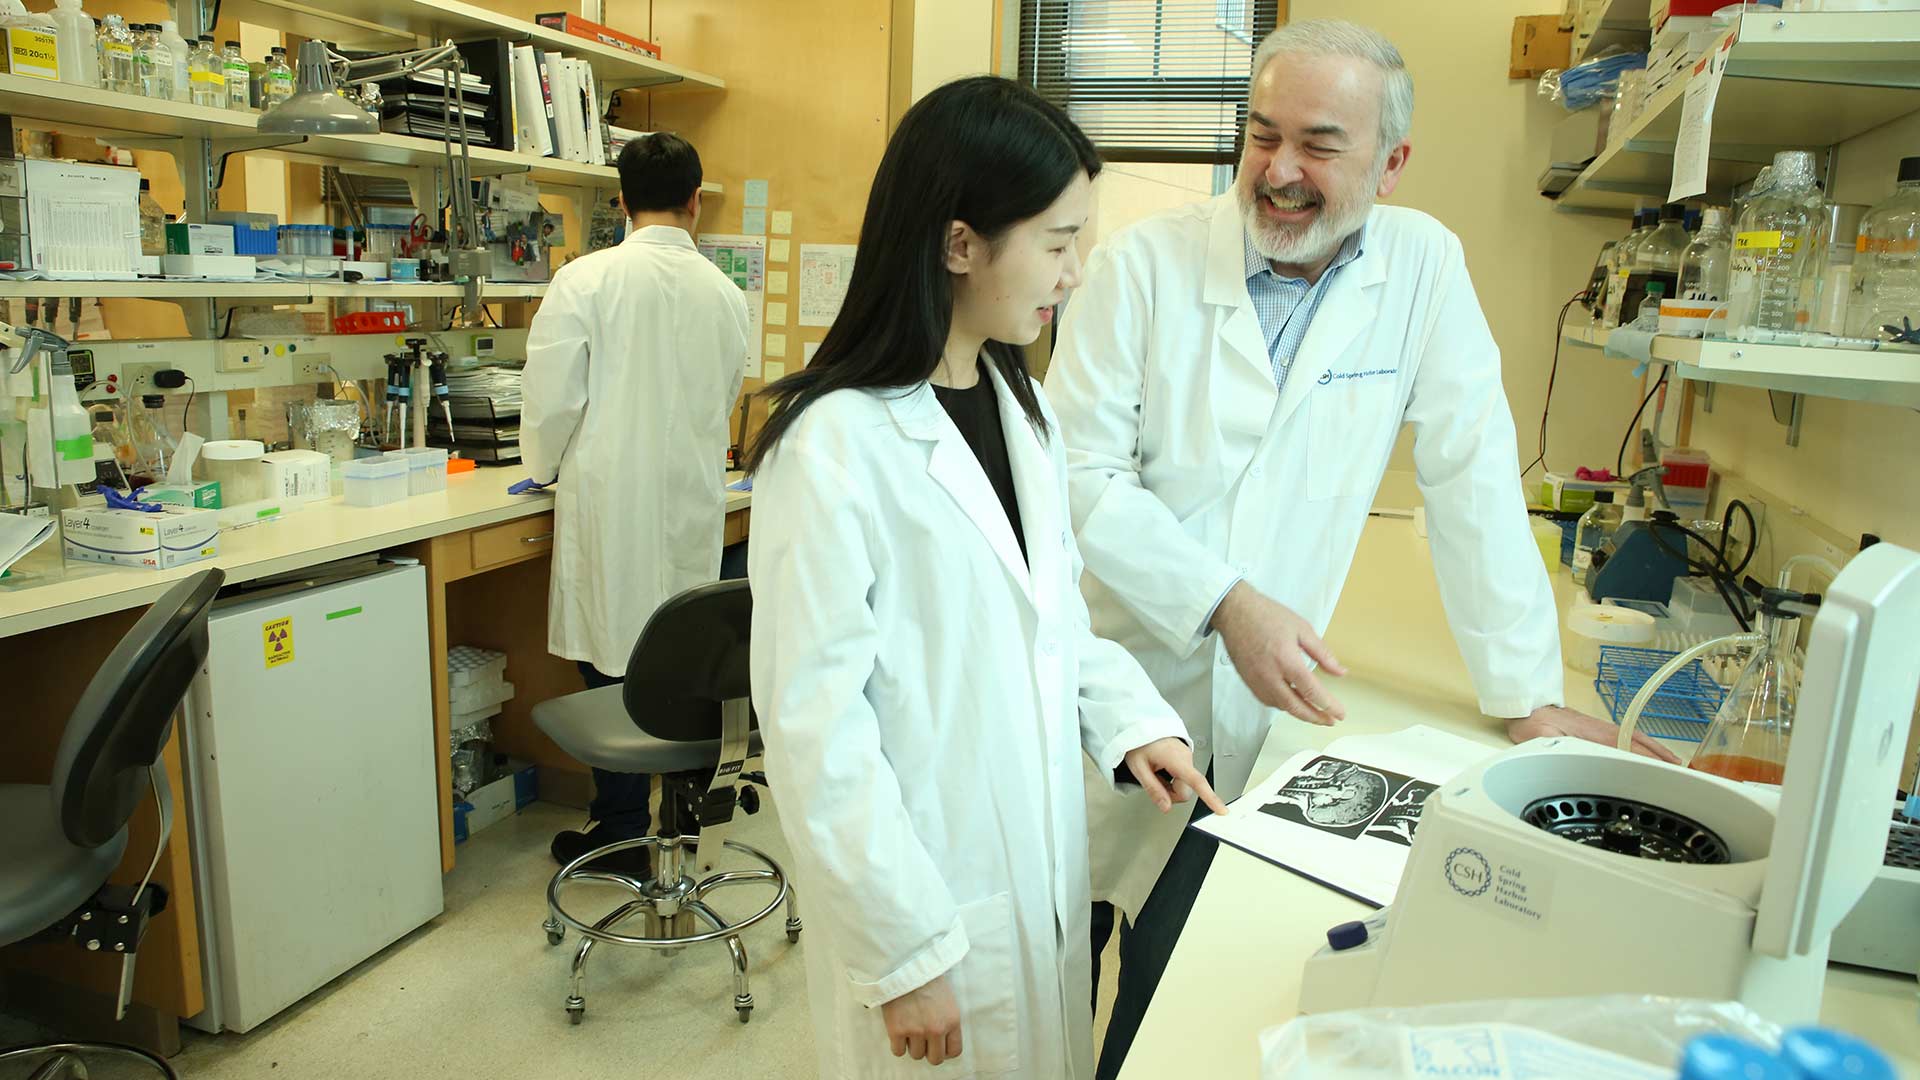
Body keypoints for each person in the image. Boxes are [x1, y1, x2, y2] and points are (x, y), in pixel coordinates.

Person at [1041, 19, 1681, 1078]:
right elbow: (1080, 481)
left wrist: (1524, 689)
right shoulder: (1141, 266)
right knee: (1065, 958)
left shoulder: (1423, 265)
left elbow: (1472, 477)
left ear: (1392, 163)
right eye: (1261, 135)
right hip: (1114, 665)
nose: (1279, 171)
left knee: (1186, 968)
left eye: (1320, 145)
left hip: (1267, 695)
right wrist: (1223, 601)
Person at [744, 76, 1226, 1079]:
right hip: (928, 896)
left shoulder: (1018, 403)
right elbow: (813, 730)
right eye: (1057, 242)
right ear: (960, 245)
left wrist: (1131, 722)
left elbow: (1054, 621)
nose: (1076, 272)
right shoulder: (834, 445)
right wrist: (903, 951)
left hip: (1035, 869)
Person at [521, 132, 749, 876]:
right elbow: (720, 398)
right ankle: (682, 826)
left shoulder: (585, 280)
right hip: (690, 499)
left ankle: (620, 832)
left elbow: (550, 404)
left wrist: (541, 469)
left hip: (608, 502)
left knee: (609, 667)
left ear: (620, 202)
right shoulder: (724, 293)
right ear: (695, 201)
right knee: (683, 661)